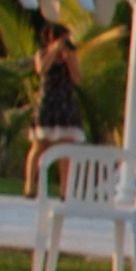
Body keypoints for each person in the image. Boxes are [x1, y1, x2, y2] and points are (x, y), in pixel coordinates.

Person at [25, 27, 86, 189]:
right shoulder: (42, 53)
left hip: (65, 103)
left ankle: (65, 189)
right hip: (48, 103)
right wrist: (54, 50)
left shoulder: (69, 56)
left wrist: (69, 58)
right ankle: (30, 185)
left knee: (65, 148)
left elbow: (77, 79)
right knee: (39, 145)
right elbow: (41, 69)